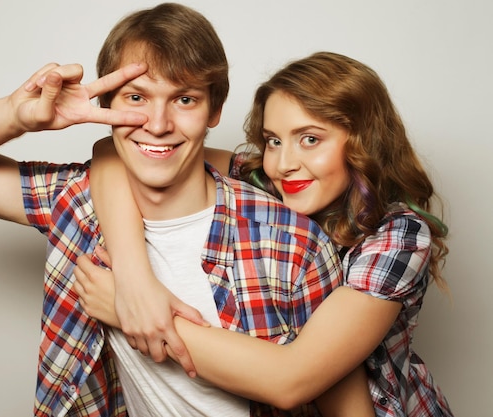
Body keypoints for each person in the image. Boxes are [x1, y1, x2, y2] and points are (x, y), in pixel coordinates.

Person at [0, 4, 365, 416]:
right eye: (136, 98)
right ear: (106, 105)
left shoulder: (291, 239)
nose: (157, 125)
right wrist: (16, 115)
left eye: (184, 99)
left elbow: (332, 399)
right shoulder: (75, 203)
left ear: (214, 111)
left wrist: (128, 302)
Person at [75, 51, 453, 415]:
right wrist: (134, 279)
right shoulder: (270, 184)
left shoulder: (398, 235)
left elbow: (291, 380)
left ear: (362, 142)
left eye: (310, 139)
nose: (284, 164)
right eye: (274, 140)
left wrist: (133, 313)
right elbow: (118, 149)